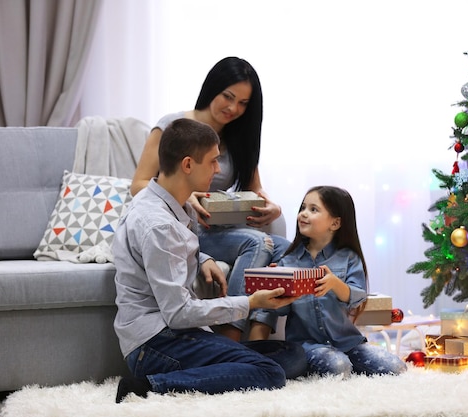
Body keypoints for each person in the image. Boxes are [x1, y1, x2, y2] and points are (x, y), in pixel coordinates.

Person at [113, 118, 306, 403]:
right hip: (155, 344)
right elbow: (178, 314)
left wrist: (201, 257)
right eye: (213, 162)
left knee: (292, 354)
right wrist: (252, 303)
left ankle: (227, 369)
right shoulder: (158, 224)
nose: (218, 171)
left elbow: (164, 252)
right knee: (271, 372)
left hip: (175, 335)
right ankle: (149, 386)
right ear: (188, 165)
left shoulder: (174, 204)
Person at [131, 57, 288, 341]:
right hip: (188, 227)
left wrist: (272, 206)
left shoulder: (239, 137)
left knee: (286, 250)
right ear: (212, 88)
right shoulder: (173, 127)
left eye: (243, 103)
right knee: (256, 242)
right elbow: (138, 185)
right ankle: (230, 336)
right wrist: (185, 196)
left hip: (223, 228)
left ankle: (260, 334)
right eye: (228, 97)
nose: (233, 108)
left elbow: (256, 188)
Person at [255, 186, 407, 377]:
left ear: (335, 223)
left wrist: (336, 285)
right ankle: (336, 366)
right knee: (338, 366)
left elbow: (358, 297)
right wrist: (276, 288)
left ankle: (350, 365)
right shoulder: (288, 261)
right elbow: (282, 310)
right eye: (303, 208)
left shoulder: (348, 258)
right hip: (308, 346)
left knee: (396, 367)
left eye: (313, 209)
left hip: (349, 343)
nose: (303, 214)